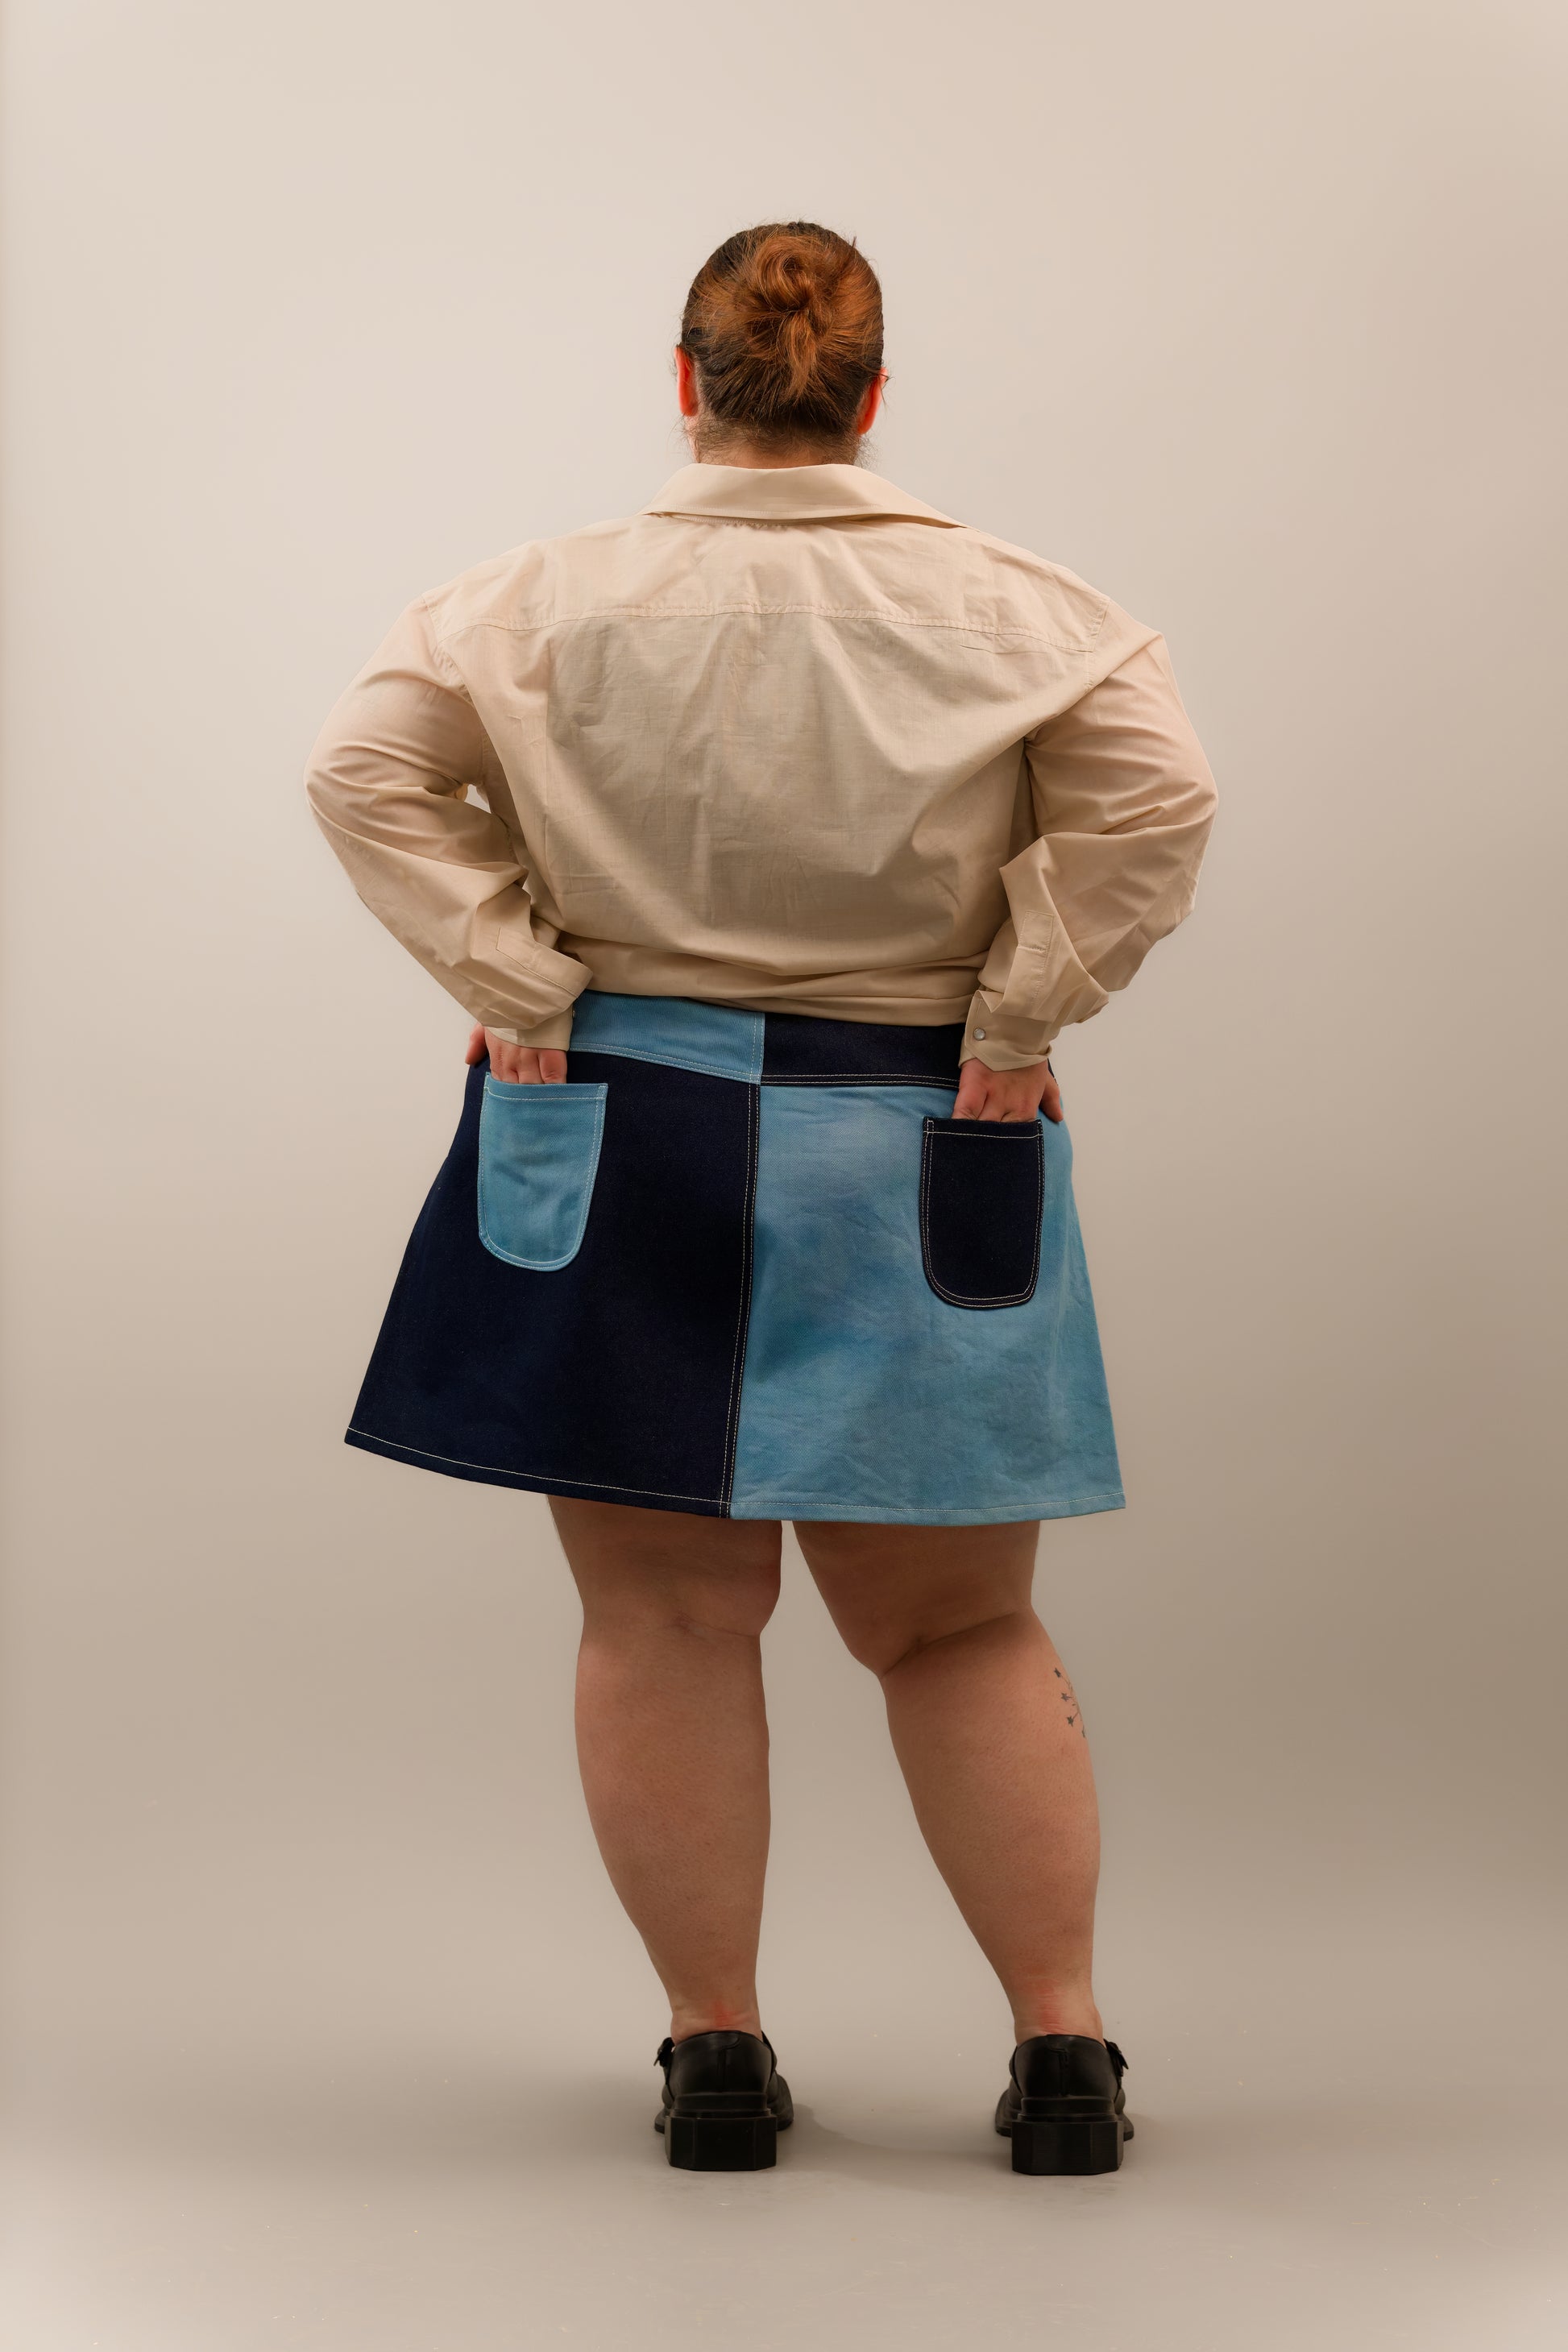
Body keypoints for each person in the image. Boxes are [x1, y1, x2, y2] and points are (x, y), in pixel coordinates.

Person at [305, 221, 1217, 2176]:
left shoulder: (524, 603)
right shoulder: (1027, 610)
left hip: (615, 1116)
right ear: (871, 393)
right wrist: (1022, 1010)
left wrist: (513, 975)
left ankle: (714, 2052)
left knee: (660, 1616)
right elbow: (1158, 799)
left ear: (684, 379)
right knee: (958, 1628)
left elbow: (361, 772)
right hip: (915, 1125)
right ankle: (1062, 2052)